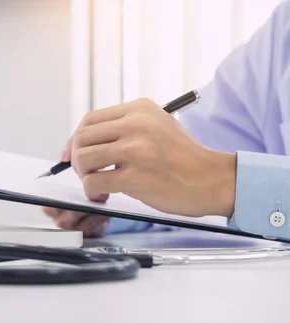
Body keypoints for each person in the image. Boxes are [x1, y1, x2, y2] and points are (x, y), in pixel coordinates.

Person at [44, 0, 290, 241]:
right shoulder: (282, 33)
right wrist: (110, 192)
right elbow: (187, 164)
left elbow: (204, 173)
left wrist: (226, 183)